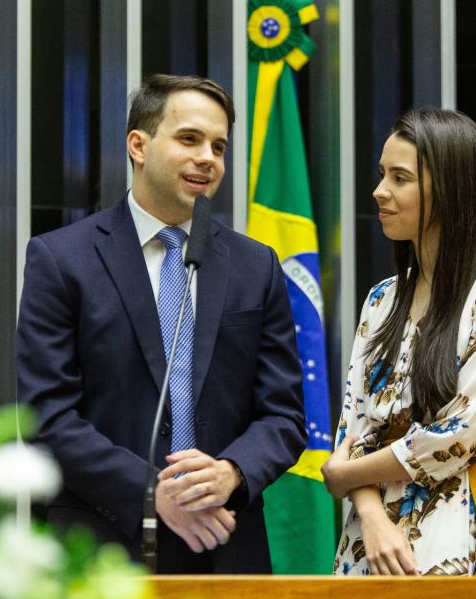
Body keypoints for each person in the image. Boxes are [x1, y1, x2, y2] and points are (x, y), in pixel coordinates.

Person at [15, 74, 305, 574]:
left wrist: (231, 472)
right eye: (189, 139)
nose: (208, 159)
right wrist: (153, 493)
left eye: (218, 146)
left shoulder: (256, 266)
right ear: (138, 145)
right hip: (102, 546)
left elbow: (284, 415)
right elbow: (46, 416)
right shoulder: (62, 260)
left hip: (225, 543)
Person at [323, 107, 476, 576]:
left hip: (456, 517)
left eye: (399, 178)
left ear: (449, 191)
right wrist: (368, 513)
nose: (379, 191)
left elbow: (457, 438)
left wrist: (346, 477)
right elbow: (352, 428)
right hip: (365, 535)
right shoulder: (382, 298)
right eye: (382, 174)